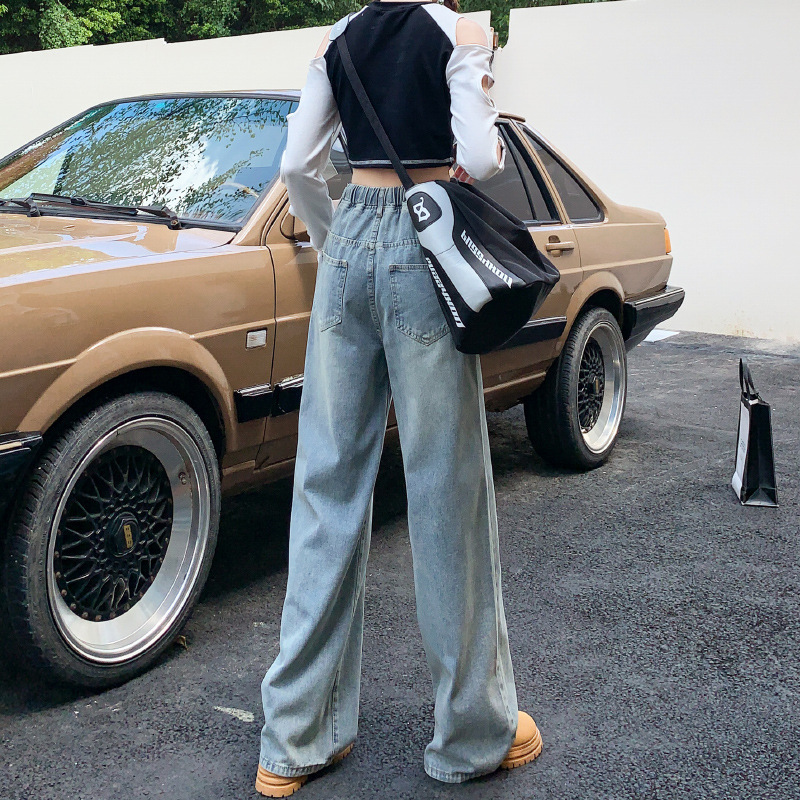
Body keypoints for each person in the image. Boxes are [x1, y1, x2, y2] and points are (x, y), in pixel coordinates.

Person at [255, 1, 542, 795]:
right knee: (446, 490)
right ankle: (472, 736)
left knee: (324, 489)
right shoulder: (457, 30)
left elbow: (298, 165)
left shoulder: (339, 35)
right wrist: (476, 60)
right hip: (425, 246)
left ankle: (293, 741)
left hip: (347, 241)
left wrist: (334, 241)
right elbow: (480, 158)